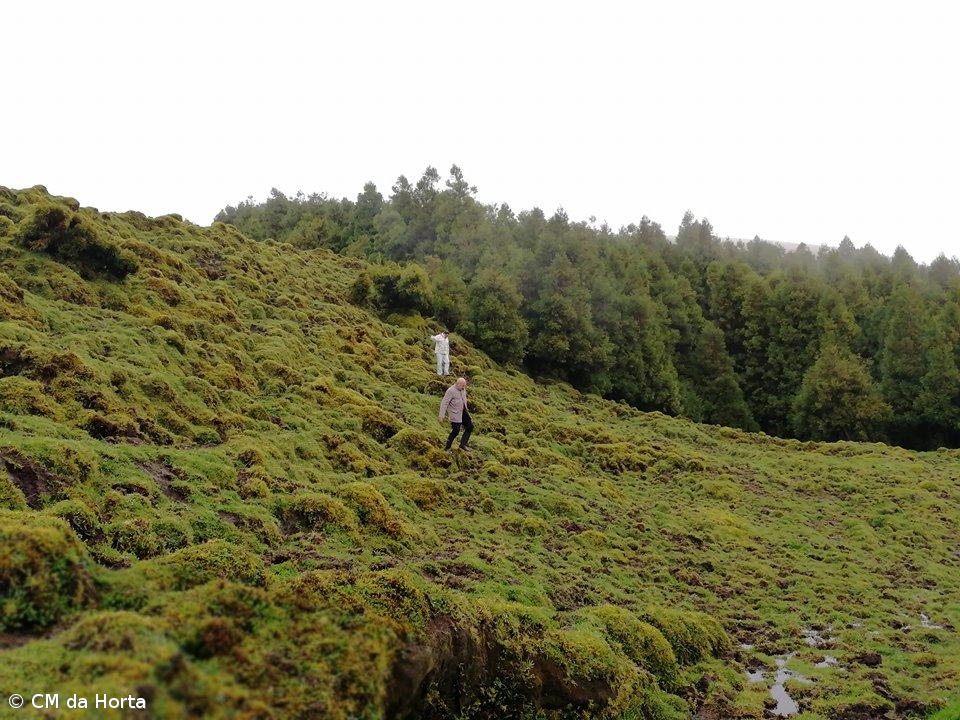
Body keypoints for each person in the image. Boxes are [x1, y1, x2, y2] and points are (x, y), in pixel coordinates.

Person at [439, 377, 472, 451]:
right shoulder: (450, 391)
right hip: (455, 414)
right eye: (462, 386)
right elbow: (444, 403)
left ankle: (463, 444)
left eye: (465, 386)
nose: (464, 387)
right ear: (457, 384)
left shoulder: (463, 389)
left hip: (463, 412)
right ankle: (447, 447)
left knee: (470, 426)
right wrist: (441, 415)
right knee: (456, 431)